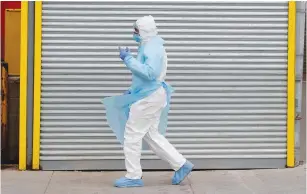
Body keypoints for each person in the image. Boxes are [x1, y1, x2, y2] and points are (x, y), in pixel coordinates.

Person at [103, 15, 194, 188]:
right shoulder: (150, 46)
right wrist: (134, 90)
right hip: (150, 95)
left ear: (144, 31)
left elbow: (150, 73)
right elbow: (147, 77)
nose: (134, 34)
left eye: (136, 31)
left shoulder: (152, 48)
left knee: (132, 135)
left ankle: (133, 176)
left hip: (149, 98)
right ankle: (181, 165)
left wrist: (128, 60)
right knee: (151, 134)